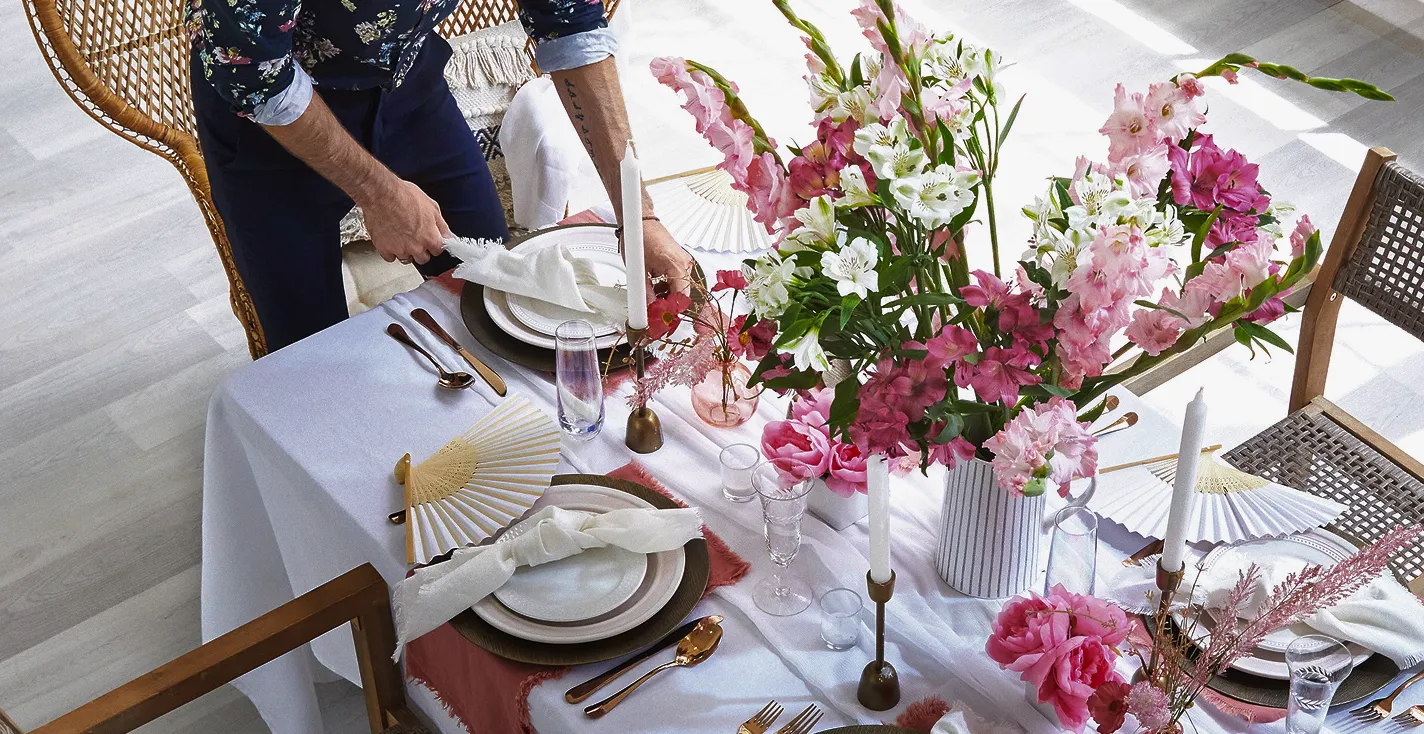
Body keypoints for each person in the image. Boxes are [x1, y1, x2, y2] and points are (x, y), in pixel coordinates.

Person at [186, 0, 692, 350]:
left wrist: (637, 214)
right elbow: (253, 72)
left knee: (493, 290)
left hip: (408, 89)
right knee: (310, 351)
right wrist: (378, 193)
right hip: (268, 125)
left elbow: (571, 25)